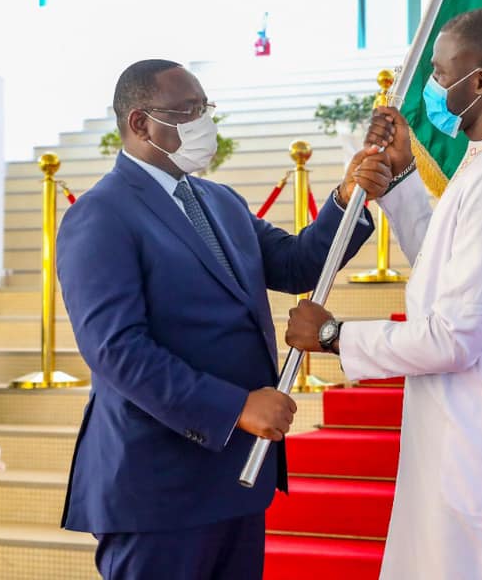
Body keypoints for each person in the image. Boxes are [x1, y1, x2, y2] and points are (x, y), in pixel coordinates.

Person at [57, 59, 391, 579]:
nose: (203, 122)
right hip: (158, 483)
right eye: (187, 111)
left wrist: (347, 198)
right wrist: (235, 407)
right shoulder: (101, 214)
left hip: (233, 474)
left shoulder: (218, 201)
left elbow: (297, 262)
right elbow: (116, 350)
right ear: (141, 123)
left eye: (205, 108)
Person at [286, 8, 482, 579]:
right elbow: (452, 273)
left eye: (441, 74)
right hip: (460, 431)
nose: (432, 88)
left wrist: (331, 335)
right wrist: (400, 182)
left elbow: (454, 337)